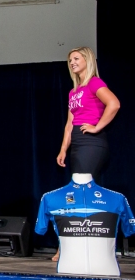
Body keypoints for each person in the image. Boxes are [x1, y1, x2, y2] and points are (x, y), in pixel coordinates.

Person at [52, 46, 119, 261]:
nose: (72, 62)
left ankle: (71, 248)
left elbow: (114, 104)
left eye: (76, 58)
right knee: (78, 195)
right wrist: (63, 149)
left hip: (93, 143)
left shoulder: (94, 83)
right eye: (70, 59)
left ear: (87, 60)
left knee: (82, 194)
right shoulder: (74, 91)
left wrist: (97, 126)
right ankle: (76, 245)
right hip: (78, 144)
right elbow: (70, 123)